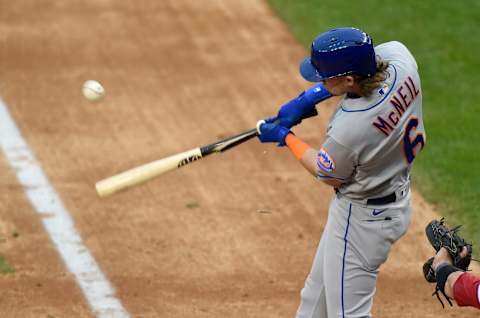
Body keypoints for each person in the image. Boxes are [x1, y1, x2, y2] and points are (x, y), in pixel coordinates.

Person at [256, 27, 425, 317]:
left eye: (324, 77)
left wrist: (286, 136)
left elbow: (328, 173)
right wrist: (309, 98)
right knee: (314, 300)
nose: (320, 79)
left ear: (348, 80)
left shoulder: (351, 128)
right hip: (390, 197)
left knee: (348, 314)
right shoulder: (402, 59)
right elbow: (374, 60)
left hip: (362, 221)